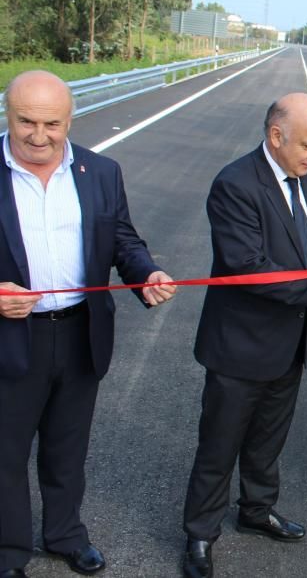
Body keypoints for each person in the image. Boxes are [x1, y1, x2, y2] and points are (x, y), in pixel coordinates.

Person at [181, 93, 307, 578]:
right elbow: (248, 269)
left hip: (289, 344)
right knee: (219, 446)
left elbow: (302, 257)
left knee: (268, 440)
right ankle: (200, 535)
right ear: (275, 136)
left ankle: (256, 510)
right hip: (239, 348)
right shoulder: (235, 185)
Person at [0, 70, 176, 577]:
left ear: (70, 120)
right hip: (13, 337)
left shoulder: (100, 172)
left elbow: (122, 239)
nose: (38, 135)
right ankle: (9, 552)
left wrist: (147, 274)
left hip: (80, 333)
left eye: (51, 123)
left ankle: (64, 535)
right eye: (25, 121)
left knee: (67, 447)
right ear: (8, 115)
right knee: (6, 454)